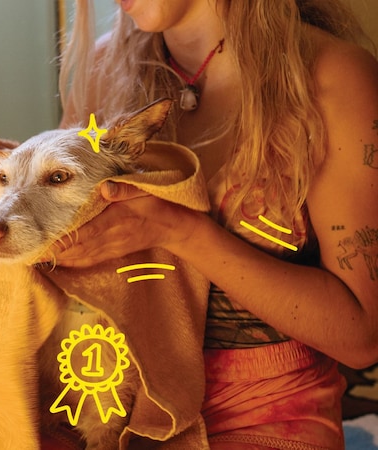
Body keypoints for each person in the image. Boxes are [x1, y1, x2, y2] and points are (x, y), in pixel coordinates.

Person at [50, 0, 378, 448]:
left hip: (267, 415)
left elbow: (362, 336)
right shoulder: (106, 70)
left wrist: (179, 231)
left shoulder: (331, 76)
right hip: (117, 407)